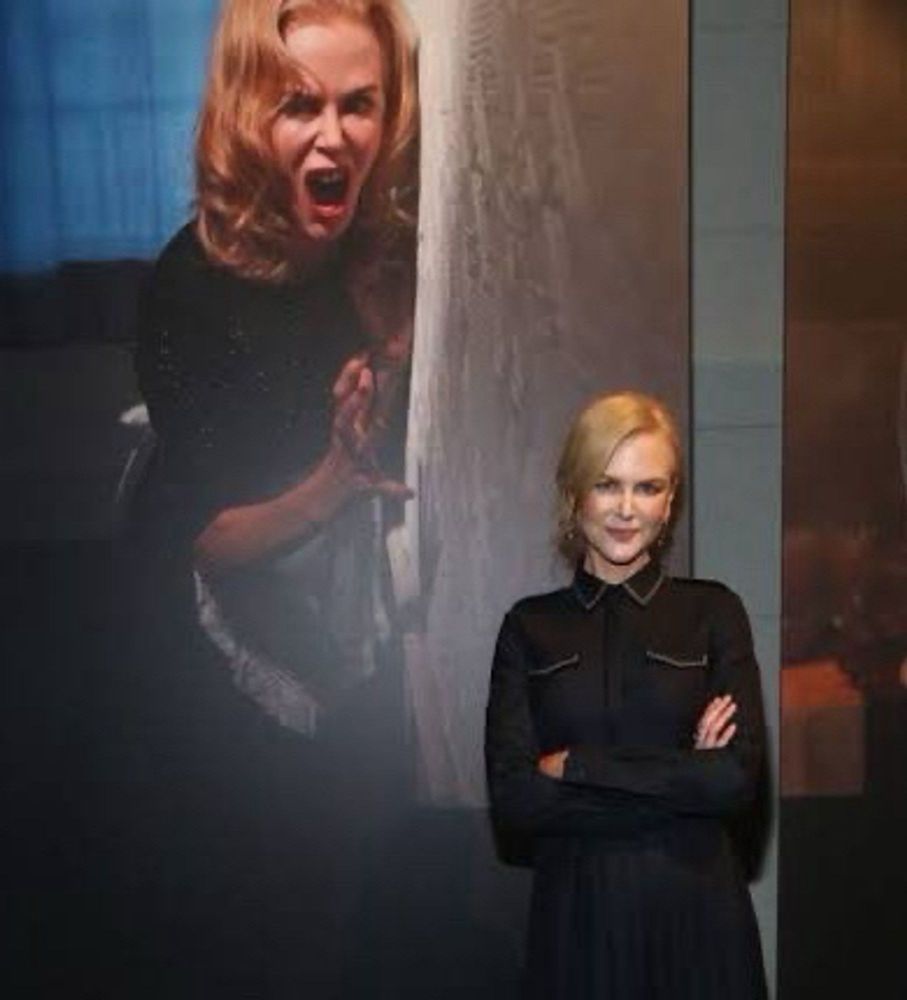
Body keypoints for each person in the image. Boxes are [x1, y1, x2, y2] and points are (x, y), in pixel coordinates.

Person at [122, 0, 418, 992]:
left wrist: (390, 353)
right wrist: (338, 477)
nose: (334, 134)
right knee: (256, 902)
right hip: (217, 616)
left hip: (343, 601)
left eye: (358, 103)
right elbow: (208, 542)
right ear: (249, 115)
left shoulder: (381, 253)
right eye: (299, 105)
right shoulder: (190, 285)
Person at [485, 391, 768, 999]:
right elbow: (516, 800)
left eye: (648, 487)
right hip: (577, 926)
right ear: (574, 492)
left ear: (670, 501)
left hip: (698, 923)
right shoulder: (529, 627)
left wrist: (578, 767)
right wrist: (684, 780)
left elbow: (734, 781)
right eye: (607, 484)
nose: (626, 508)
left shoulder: (713, 613)